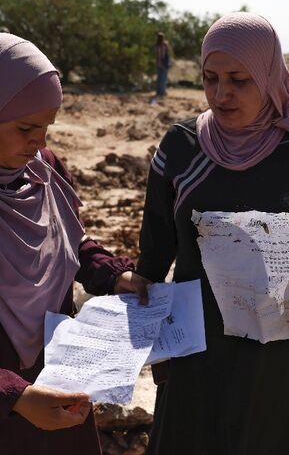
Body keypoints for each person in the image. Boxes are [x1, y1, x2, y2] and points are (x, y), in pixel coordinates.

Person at [138, 12, 289, 455]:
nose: (220, 93)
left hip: (276, 345)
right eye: (210, 78)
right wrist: (151, 331)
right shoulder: (181, 147)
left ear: (268, 76)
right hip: (197, 342)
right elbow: (154, 247)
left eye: (238, 80)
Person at [0, 33, 150, 454]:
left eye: (47, 128)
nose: (40, 143)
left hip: (57, 380)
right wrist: (15, 395)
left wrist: (114, 274)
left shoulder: (42, 169)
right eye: (25, 128)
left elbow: (70, 238)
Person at [150, 32, 170, 103]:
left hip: (158, 64)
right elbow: (167, 52)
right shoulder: (164, 45)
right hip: (164, 63)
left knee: (159, 78)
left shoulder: (156, 46)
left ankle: (158, 92)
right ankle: (162, 92)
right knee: (163, 78)